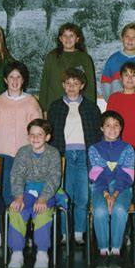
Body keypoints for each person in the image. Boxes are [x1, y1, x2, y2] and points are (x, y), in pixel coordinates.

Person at [47, 68, 102, 245]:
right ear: (63, 85)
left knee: (82, 197)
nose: (72, 87)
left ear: (82, 85)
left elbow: (96, 134)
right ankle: (63, 234)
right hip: (64, 156)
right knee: (64, 195)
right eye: (68, 83)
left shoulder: (91, 107)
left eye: (76, 84)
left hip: (84, 155)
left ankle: (79, 233)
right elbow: (51, 134)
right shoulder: (55, 107)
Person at [0, 61, 42, 206]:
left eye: (18, 77)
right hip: (0, 155)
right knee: (2, 193)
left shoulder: (31, 101)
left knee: (22, 192)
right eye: (11, 77)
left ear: (23, 80)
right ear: (5, 80)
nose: (14, 81)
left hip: (24, 155)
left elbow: (39, 130)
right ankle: (0, 227)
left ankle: (17, 225)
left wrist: (36, 153)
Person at [106, 61, 135, 249]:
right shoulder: (114, 99)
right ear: (121, 78)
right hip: (119, 154)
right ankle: (122, 233)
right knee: (119, 193)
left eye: (134, 75)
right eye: (126, 75)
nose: (130, 78)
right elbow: (108, 127)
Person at [7, 119, 61, 268]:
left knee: (42, 212)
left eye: (40, 135)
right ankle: (17, 253)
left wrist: (43, 198)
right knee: (16, 209)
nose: (35, 138)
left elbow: (54, 178)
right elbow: (16, 175)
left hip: (47, 192)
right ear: (28, 136)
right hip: (26, 191)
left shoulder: (53, 153)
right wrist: (18, 196)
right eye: (32, 134)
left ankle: (42, 253)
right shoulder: (23, 152)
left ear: (47, 137)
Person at [89, 111, 135, 268]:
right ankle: (103, 251)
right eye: (107, 125)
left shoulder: (128, 148)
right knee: (100, 211)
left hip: (121, 188)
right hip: (100, 188)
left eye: (116, 125)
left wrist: (114, 195)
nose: (112, 129)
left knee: (120, 209)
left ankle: (116, 250)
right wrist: (106, 194)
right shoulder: (94, 149)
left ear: (121, 128)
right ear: (101, 128)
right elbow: (97, 175)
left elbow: (126, 175)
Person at [39, 23, 96, 114]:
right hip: (54, 107)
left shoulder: (85, 58)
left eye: (71, 35)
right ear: (60, 38)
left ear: (77, 39)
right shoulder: (52, 57)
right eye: (65, 35)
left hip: (78, 108)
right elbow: (44, 83)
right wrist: (43, 109)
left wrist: (91, 109)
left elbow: (90, 87)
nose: (68, 39)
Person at [101, 23, 135, 102]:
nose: (130, 40)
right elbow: (105, 84)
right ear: (122, 38)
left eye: (134, 37)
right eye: (127, 37)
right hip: (118, 105)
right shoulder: (113, 59)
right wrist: (111, 101)